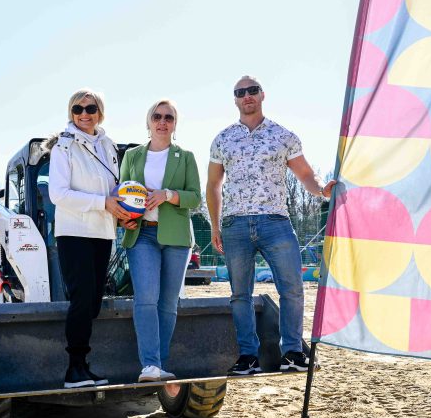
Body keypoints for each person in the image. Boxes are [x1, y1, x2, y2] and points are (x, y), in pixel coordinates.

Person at [206, 75, 336, 375]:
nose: (247, 96)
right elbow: (213, 185)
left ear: (262, 95)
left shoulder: (283, 136)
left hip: (276, 221)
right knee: (240, 294)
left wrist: (320, 190)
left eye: (252, 90)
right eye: (240, 92)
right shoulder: (222, 139)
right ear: (235, 99)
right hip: (235, 225)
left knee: (291, 288)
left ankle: (292, 352)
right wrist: (215, 225)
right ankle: (248, 357)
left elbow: (305, 174)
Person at [47, 88, 134, 388]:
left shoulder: (108, 145)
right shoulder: (64, 147)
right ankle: (75, 368)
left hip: (103, 231)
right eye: (77, 109)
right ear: (70, 114)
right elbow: (57, 194)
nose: (84, 114)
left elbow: (113, 189)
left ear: (101, 112)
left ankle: (84, 366)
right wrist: (102, 203)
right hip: (74, 232)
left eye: (91, 108)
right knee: (82, 298)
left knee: (94, 301)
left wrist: (124, 211)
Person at [120, 99, 201, 382]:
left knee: (168, 304)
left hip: (177, 237)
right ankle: (150, 364)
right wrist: (123, 217)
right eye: (157, 116)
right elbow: (122, 194)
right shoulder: (132, 156)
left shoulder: (186, 157)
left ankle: (159, 364)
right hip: (142, 234)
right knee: (146, 298)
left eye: (169, 117)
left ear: (175, 124)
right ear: (149, 121)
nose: (162, 121)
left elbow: (195, 197)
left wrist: (167, 194)